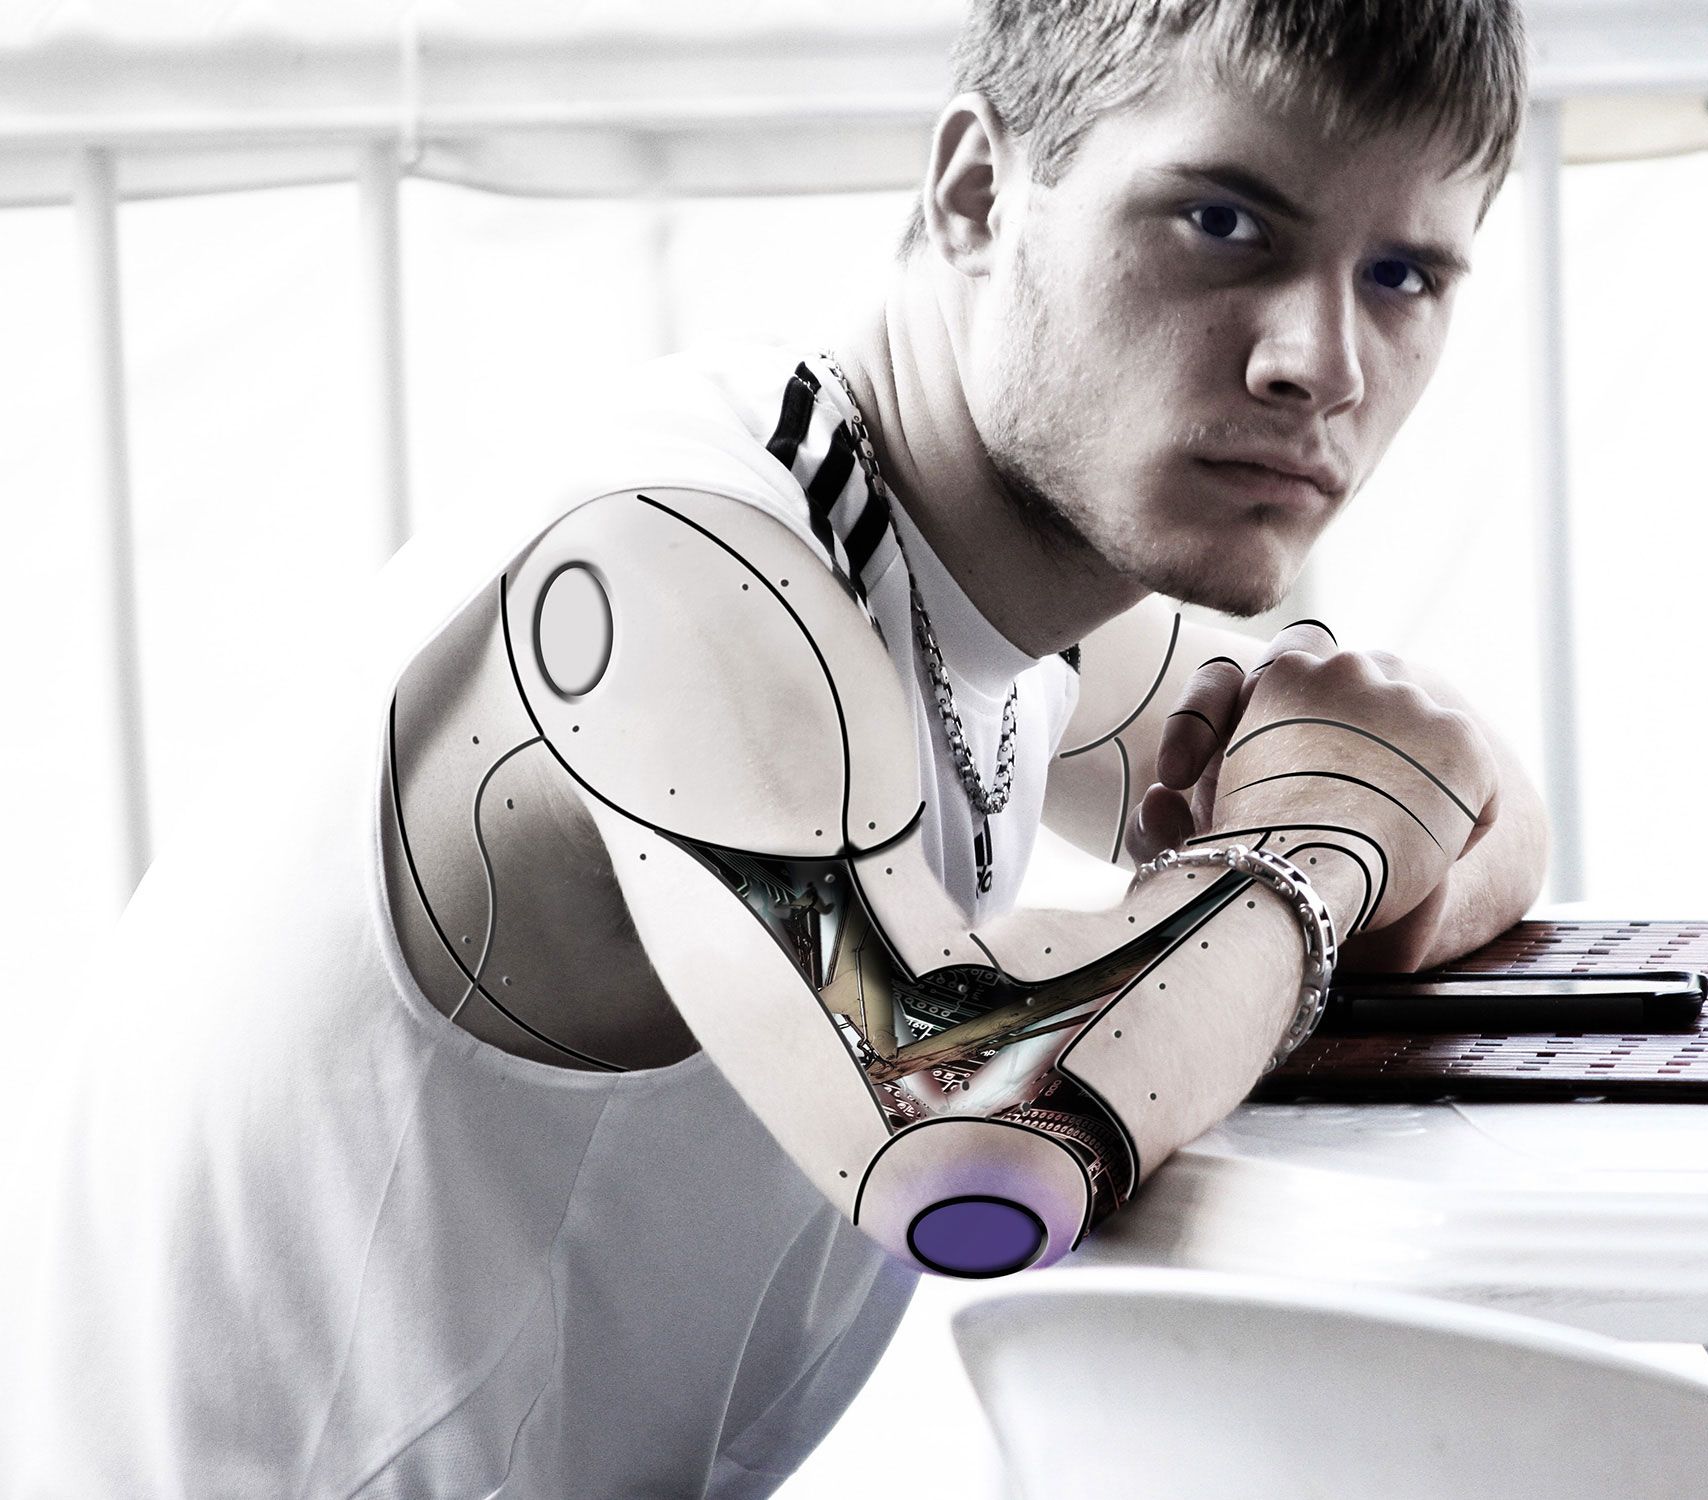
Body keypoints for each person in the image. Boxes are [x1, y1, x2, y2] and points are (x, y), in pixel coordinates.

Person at [0, 0, 1544, 1494]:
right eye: (1223, 223)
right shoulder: (676, 583)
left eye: (1403, 274)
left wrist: (1348, 825)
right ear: (978, 190)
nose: (1322, 363)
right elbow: (969, 1150)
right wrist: (1317, 846)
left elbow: (1461, 799)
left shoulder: (997, 585)